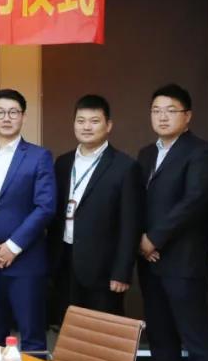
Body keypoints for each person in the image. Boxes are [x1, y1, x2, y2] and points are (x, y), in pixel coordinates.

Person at [136, 83, 208, 361]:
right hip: (149, 260)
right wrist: (142, 240)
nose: (162, 117)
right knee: (160, 333)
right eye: (156, 111)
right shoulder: (146, 153)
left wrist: (154, 238)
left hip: (183, 260)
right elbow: (138, 202)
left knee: (194, 334)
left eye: (171, 111)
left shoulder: (201, 152)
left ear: (188, 116)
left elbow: (193, 201)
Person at [0, 89, 56, 351]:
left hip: (26, 261)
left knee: (32, 338)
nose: (6, 118)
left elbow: (45, 207)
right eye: (0, 112)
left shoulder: (39, 156)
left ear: (23, 117)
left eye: (13, 112)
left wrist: (13, 246)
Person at [47, 95, 142, 316]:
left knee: (101, 329)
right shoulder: (63, 163)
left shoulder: (125, 167)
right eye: (80, 121)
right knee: (67, 325)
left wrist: (122, 271)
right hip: (64, 259)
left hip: (103, 268)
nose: (86, 127)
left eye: (94, 121)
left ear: (108, 125)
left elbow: (130, 224)